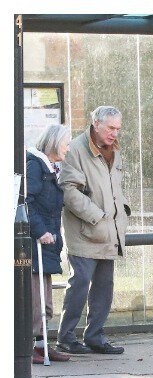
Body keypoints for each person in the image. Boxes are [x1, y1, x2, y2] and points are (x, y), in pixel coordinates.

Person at [57, 106, 131, 355]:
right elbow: (68, 191)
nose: (114, 133)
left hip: (110, 231)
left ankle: (95, 337)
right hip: (85, 232)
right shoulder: (76, 149)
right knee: (79, 285)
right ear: (96, 124)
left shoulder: (114, 150)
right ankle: (66, 337)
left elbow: (113, 188)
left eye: (118, 129)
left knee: (104, 288)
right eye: (111, 128)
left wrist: (122, 210)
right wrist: (96, 216)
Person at [26, 124, 73, 364]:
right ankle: (35, 347)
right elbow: (27, 202)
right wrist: (41, 230)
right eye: (66, 142)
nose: (68, 147)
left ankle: (43, 345)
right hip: (38, 241)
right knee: (36, 299)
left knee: (45, 297)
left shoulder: (51, 168)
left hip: (48, 241)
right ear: (54, 143)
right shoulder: (36, 166)